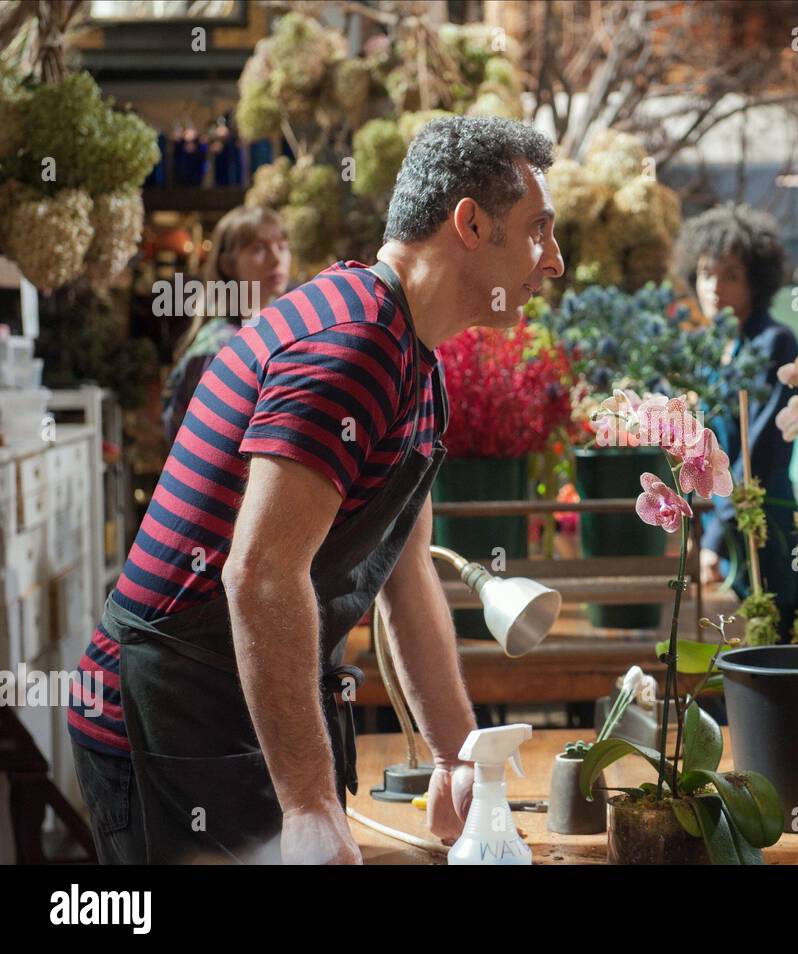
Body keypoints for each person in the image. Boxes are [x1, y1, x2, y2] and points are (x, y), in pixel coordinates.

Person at [67, 116, 564, 864]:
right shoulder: (352, 342)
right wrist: (308, 805)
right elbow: (261, 574)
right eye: (537, 230)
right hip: (160, 723)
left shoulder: (415, 362)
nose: (553, 261)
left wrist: (459, 757)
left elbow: (407, 572)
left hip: (238, 713)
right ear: (469, 224)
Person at [677, 203, 798, 642]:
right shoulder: (707, 350)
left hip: (763, 522)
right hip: (720, 524)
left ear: (756, 280)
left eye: (730, 275)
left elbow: (762, 452)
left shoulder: (775, 343)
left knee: (777, 644)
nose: (714, 287)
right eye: (705, 273)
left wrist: (714, 537)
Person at [161, 205, 291, 445]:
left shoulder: (279, 331)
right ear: (227, 264)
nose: (277, 259)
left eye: (282, 247)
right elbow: (206, 441)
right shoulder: (218, 346)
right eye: (259, 248)